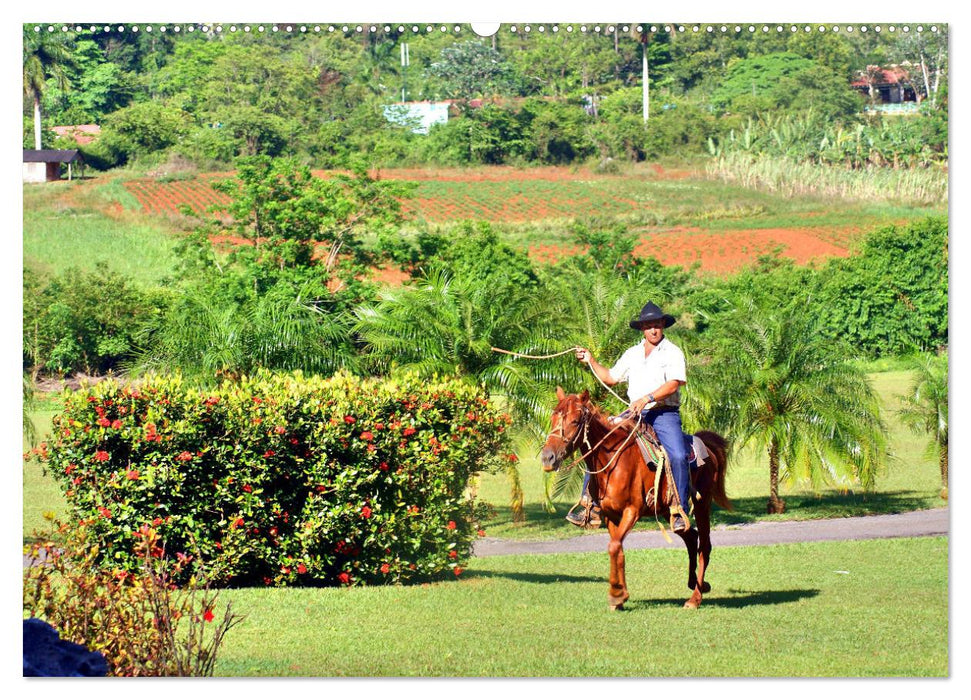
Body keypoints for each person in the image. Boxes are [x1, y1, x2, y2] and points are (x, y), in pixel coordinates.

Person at [571, 301, 691, 533]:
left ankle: (679, 508)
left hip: (663, 413)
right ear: (642, 329)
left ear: (663, 326)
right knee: (599, 442)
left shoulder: (673, 352)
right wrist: (591, 360)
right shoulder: (632, 354)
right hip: (634, 413)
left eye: (657, 325)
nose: (653, 330)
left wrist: (647, 398)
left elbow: (674, 384)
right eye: (649, 326)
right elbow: (611, 378)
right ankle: (590, 505)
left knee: (677, 454)